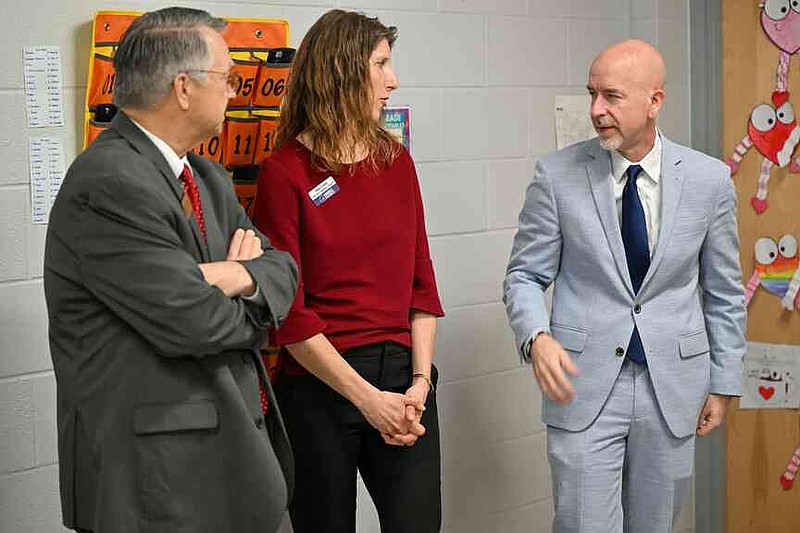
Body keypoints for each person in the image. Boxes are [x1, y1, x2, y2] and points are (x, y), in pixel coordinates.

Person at [43, 7, 298, 533]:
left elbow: (284, 273)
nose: (234, 92)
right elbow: (197, 323)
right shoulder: (110, 182)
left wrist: (228, 277)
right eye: (226, 78)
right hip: (157, 491)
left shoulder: (205, 177)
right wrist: (244, 295)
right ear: (184, 87)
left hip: (221, 468)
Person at [503, 39, 746, 532]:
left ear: (654, 102)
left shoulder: (709, 181)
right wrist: (537, 336)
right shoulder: (556, 176)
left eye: (611, 97)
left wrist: (724, 383)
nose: (596, 110)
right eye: (591, 93)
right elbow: (524, 275)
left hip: (673, 388)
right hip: (583, 384)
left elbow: (724, 292)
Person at [252, 9, 444, 533]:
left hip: (406, 384)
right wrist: (364, 399)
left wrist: (419, 385)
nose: (393, 79)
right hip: (321, 384)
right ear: (342, 71)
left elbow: (422, 286)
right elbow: (287, 316)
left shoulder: (396, 162)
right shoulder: (285, 172)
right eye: (381, 63)